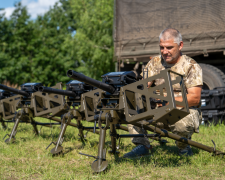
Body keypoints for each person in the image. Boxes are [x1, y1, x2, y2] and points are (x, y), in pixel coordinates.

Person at [123, 28, 203, 158]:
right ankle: (143, 146)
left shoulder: (191, 66)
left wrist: (168, 101)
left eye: (169, 47)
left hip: (183, 110)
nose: (165, 52)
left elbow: (195, 98)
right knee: (132, 109)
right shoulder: (154, 63)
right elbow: (143, 86)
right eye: (161, 47)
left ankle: (183, 147)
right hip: (157, 110)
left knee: (181, 124)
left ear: (180, 45)